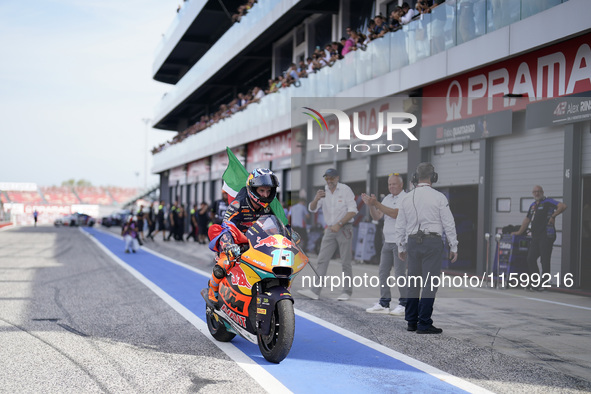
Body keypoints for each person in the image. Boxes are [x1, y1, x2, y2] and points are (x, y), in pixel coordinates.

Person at [394, 162, 458, 334]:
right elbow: (448, 223)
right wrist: (454, 245)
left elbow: (400, 225)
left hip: (413, 242)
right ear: (433, 177)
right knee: (430, 283)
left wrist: (401, 246)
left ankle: (411, 321)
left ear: (415, 178)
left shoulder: (406, 198)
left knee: (413, 282)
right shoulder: (439, 197)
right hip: (432, 243)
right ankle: (424, 323)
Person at [207, 168, 280, 304]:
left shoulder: (270, 207)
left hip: (259, 243)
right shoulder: (238, 203)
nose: (265, 195)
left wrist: (289, 234)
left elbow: (279, 225)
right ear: (252, 189)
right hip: (237, 242)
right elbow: (226, 225)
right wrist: (228, 245)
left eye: (268, 191)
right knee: (224, 263)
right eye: (261, 191)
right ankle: (212, 291)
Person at [298, 168, 358, 301]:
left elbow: (353, 210)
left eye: (331, 178)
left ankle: (346, 292)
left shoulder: (345, 190)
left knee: (345, 261)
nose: (329, 180)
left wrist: (340, 223)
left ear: (337, 178)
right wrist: (316, 198)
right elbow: (312, 209)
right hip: (330, 229)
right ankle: (315, 291)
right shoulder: (323, 192)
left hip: (344, 228)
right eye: (327, 178)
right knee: (322, 259)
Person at [362, 173, 408, 315]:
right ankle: (384, 303)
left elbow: (395, 214)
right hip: (387, 241)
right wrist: (371, 206)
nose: (391, 186)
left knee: (400, 274)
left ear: (401, 185)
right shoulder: (387, 198)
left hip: (400, 241)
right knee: (383, 272)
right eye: (389, 184)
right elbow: (377, 216)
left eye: (394, 184)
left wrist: (376, 203)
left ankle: (405, 304)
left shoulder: (405, 198)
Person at [511, 185, 567, 291]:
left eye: (538, 191)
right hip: (536, 236)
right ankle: (535, 282)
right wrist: (518, 232)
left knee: (544, 260)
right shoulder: (533, 205)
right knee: (530, 258)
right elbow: (527, 220)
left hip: (546, 235)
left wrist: (553, 216)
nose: (536, 193)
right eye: (534, 192)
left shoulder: (548, 202)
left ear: (542, 192)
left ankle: (544, 284)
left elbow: (563, 206)